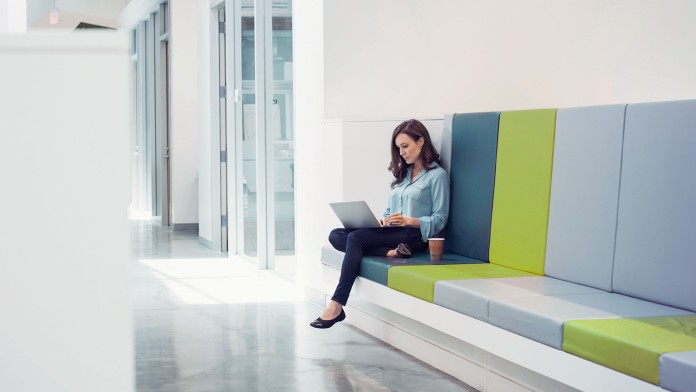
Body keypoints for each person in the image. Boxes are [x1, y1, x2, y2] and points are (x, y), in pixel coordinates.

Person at [310, 119, 450, 329]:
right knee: (336, 235)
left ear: (421, 141)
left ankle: (337, 305)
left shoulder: (437, 176)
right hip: (393, 234)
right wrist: (383, 220)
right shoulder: (402, 177)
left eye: (405, 146)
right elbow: (388, 211)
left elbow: (440, 219)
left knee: (356, 239)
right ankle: (389, 252)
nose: (401, 152)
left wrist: (408, 220)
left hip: (414, 235)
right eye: (398, 148)